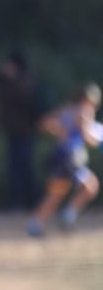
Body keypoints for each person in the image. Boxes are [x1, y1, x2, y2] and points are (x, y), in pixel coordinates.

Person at [28, 83, 102, 238]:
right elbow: (87, 137)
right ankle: (64, 217)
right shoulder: (85, 111)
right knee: (89, 187)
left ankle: (39, 222)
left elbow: (45, 124)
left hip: (61, 155)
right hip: (71, 157)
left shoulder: (66, 109)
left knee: (61, 191)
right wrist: (98, 142)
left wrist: (61, 132)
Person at [0, 50, 44, 211]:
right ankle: (19, 201)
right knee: (15, 167)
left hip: (25, 132)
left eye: (8, 64)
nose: (5, 67)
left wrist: (1, 78)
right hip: (14, 131)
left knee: (23, 167)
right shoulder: (10, 82)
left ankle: (31, 201)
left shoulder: (24, 82)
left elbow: (16, 96)